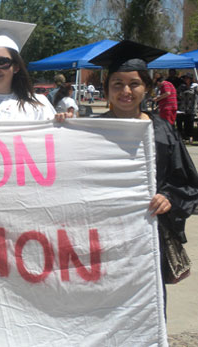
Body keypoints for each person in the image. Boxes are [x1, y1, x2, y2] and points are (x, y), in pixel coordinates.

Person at [83, 40, 198, 312]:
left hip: (147, 234)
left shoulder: (162, 131)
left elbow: (187, 183)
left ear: (146, 87)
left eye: (134, 84)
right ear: (107, 89)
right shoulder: (89, 130)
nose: (126, 91)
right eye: (117, 84)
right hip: (101, 234)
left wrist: (168, 197)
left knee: (148, 304)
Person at [177, 73, 198, 142]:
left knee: (189, 122)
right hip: (182, 107)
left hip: (191, 107)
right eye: (185, 78)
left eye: (187, 78)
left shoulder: (195, 86)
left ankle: (189, 136)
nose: (186, 80)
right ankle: (182, 136)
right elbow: (178, 94)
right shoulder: (182, 86)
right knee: (181, 121)